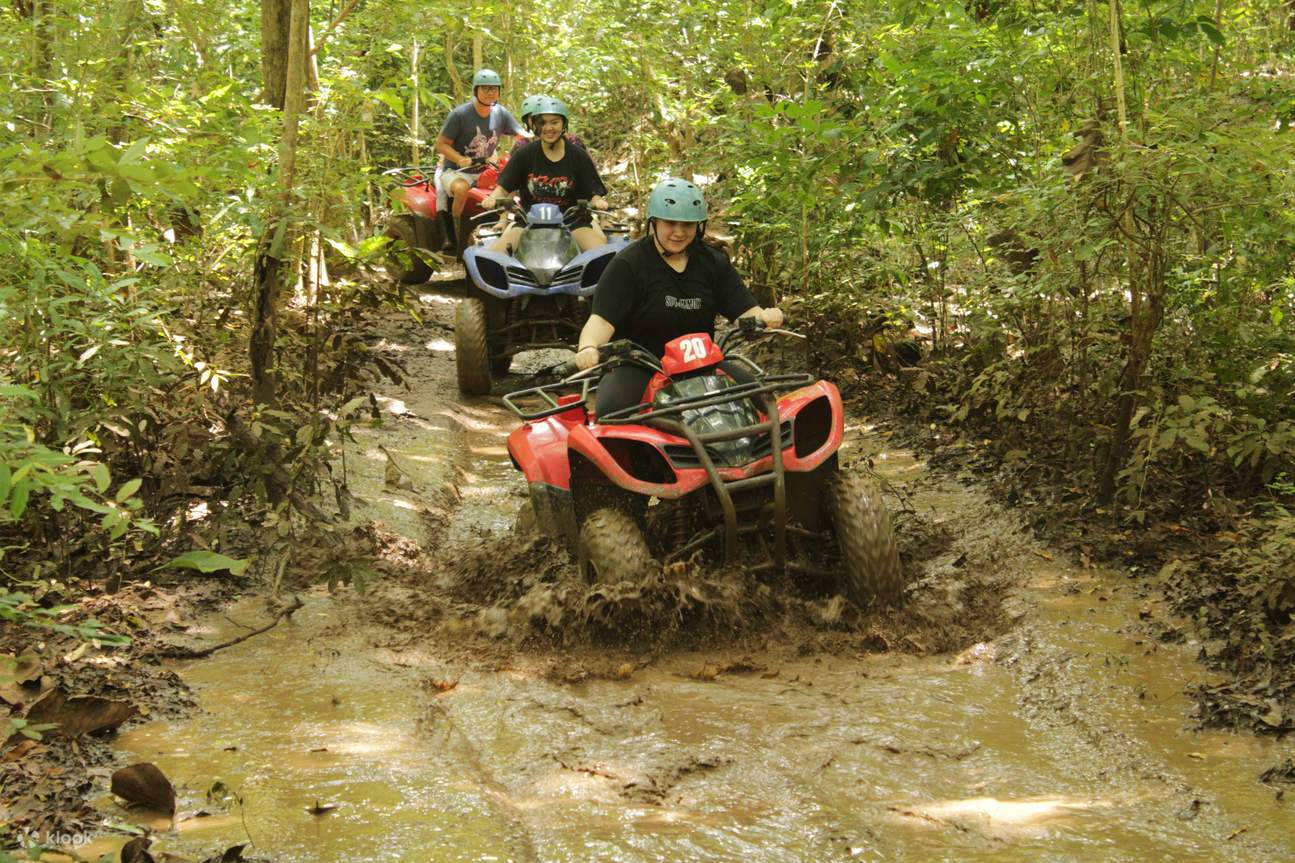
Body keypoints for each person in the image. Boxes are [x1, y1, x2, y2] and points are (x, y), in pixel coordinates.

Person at [573, 177, 784, 418]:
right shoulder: (628, 264)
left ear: (699, 226)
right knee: (611, 414)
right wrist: (588, 347)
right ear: (654, 222)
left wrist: (765, 317)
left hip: (700, 364)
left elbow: (744, 309)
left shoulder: (712, 261)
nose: (679, 232)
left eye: (688, 225)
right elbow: (601, 319)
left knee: (763, 400)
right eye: (670, 223)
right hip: (640, 365)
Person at [479, 97, 609, 253]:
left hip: (572, 222)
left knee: (601, 255)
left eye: (554, 122)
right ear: (535, 126)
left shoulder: (578, 155)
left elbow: (593, 192)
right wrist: (493, 197)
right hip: (528, 222)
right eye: (543, 123)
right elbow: (504, 187)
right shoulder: (524, 154)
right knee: (495, 256)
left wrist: (597, 201)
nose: (549, 128)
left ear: (564, 124)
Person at [434, 68, 528, 238]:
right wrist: (459, 158)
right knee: (462, 188)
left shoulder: (501, 113)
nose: (489, 93)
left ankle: (503, 225)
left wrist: (541, 137)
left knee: (512, 184)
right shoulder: (460, 115)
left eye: (493, 89)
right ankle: (456, 232)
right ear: (476, 91)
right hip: (456, 171)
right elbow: (441, 145)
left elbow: (521, 135)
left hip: (486, 170)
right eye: (484, 88)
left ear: (499, 92)